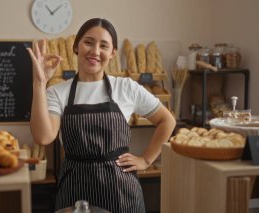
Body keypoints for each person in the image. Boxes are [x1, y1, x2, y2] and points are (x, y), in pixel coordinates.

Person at [27, 18, 176, 213]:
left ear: (113, 53)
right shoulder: (57, 92)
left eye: (104, 46)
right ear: (76, 46)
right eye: (88, 42)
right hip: (75, 188)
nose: (95, 51)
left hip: (121, 193)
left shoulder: (126, 87)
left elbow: (167, 120)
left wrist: (146, 160)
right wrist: (39, 83)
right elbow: (43, 137)